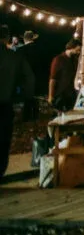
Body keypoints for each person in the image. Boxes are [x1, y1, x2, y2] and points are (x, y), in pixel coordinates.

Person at [0, 25, 34, 178]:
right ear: (7, 38)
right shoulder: (14, 57)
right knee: (2, 143)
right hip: (4, 105)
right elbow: (29, 79)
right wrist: (27, 99)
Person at [49, 39, 82, 112]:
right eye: (77, 50)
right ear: (71, 47)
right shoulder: (58, 59)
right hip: (60, 93)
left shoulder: (74, 60)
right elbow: (53, 78)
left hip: (71, 93)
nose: (79, 52)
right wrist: (50, 96)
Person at [16, 31, 42, 120]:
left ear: (24, 39)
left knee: (27, 103)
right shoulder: (39, 49)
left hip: (25, 80)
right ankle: (35, 121)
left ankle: (26, 122)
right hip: (38, 80)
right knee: (36, 103)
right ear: (33, 38)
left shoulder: (20, 50)